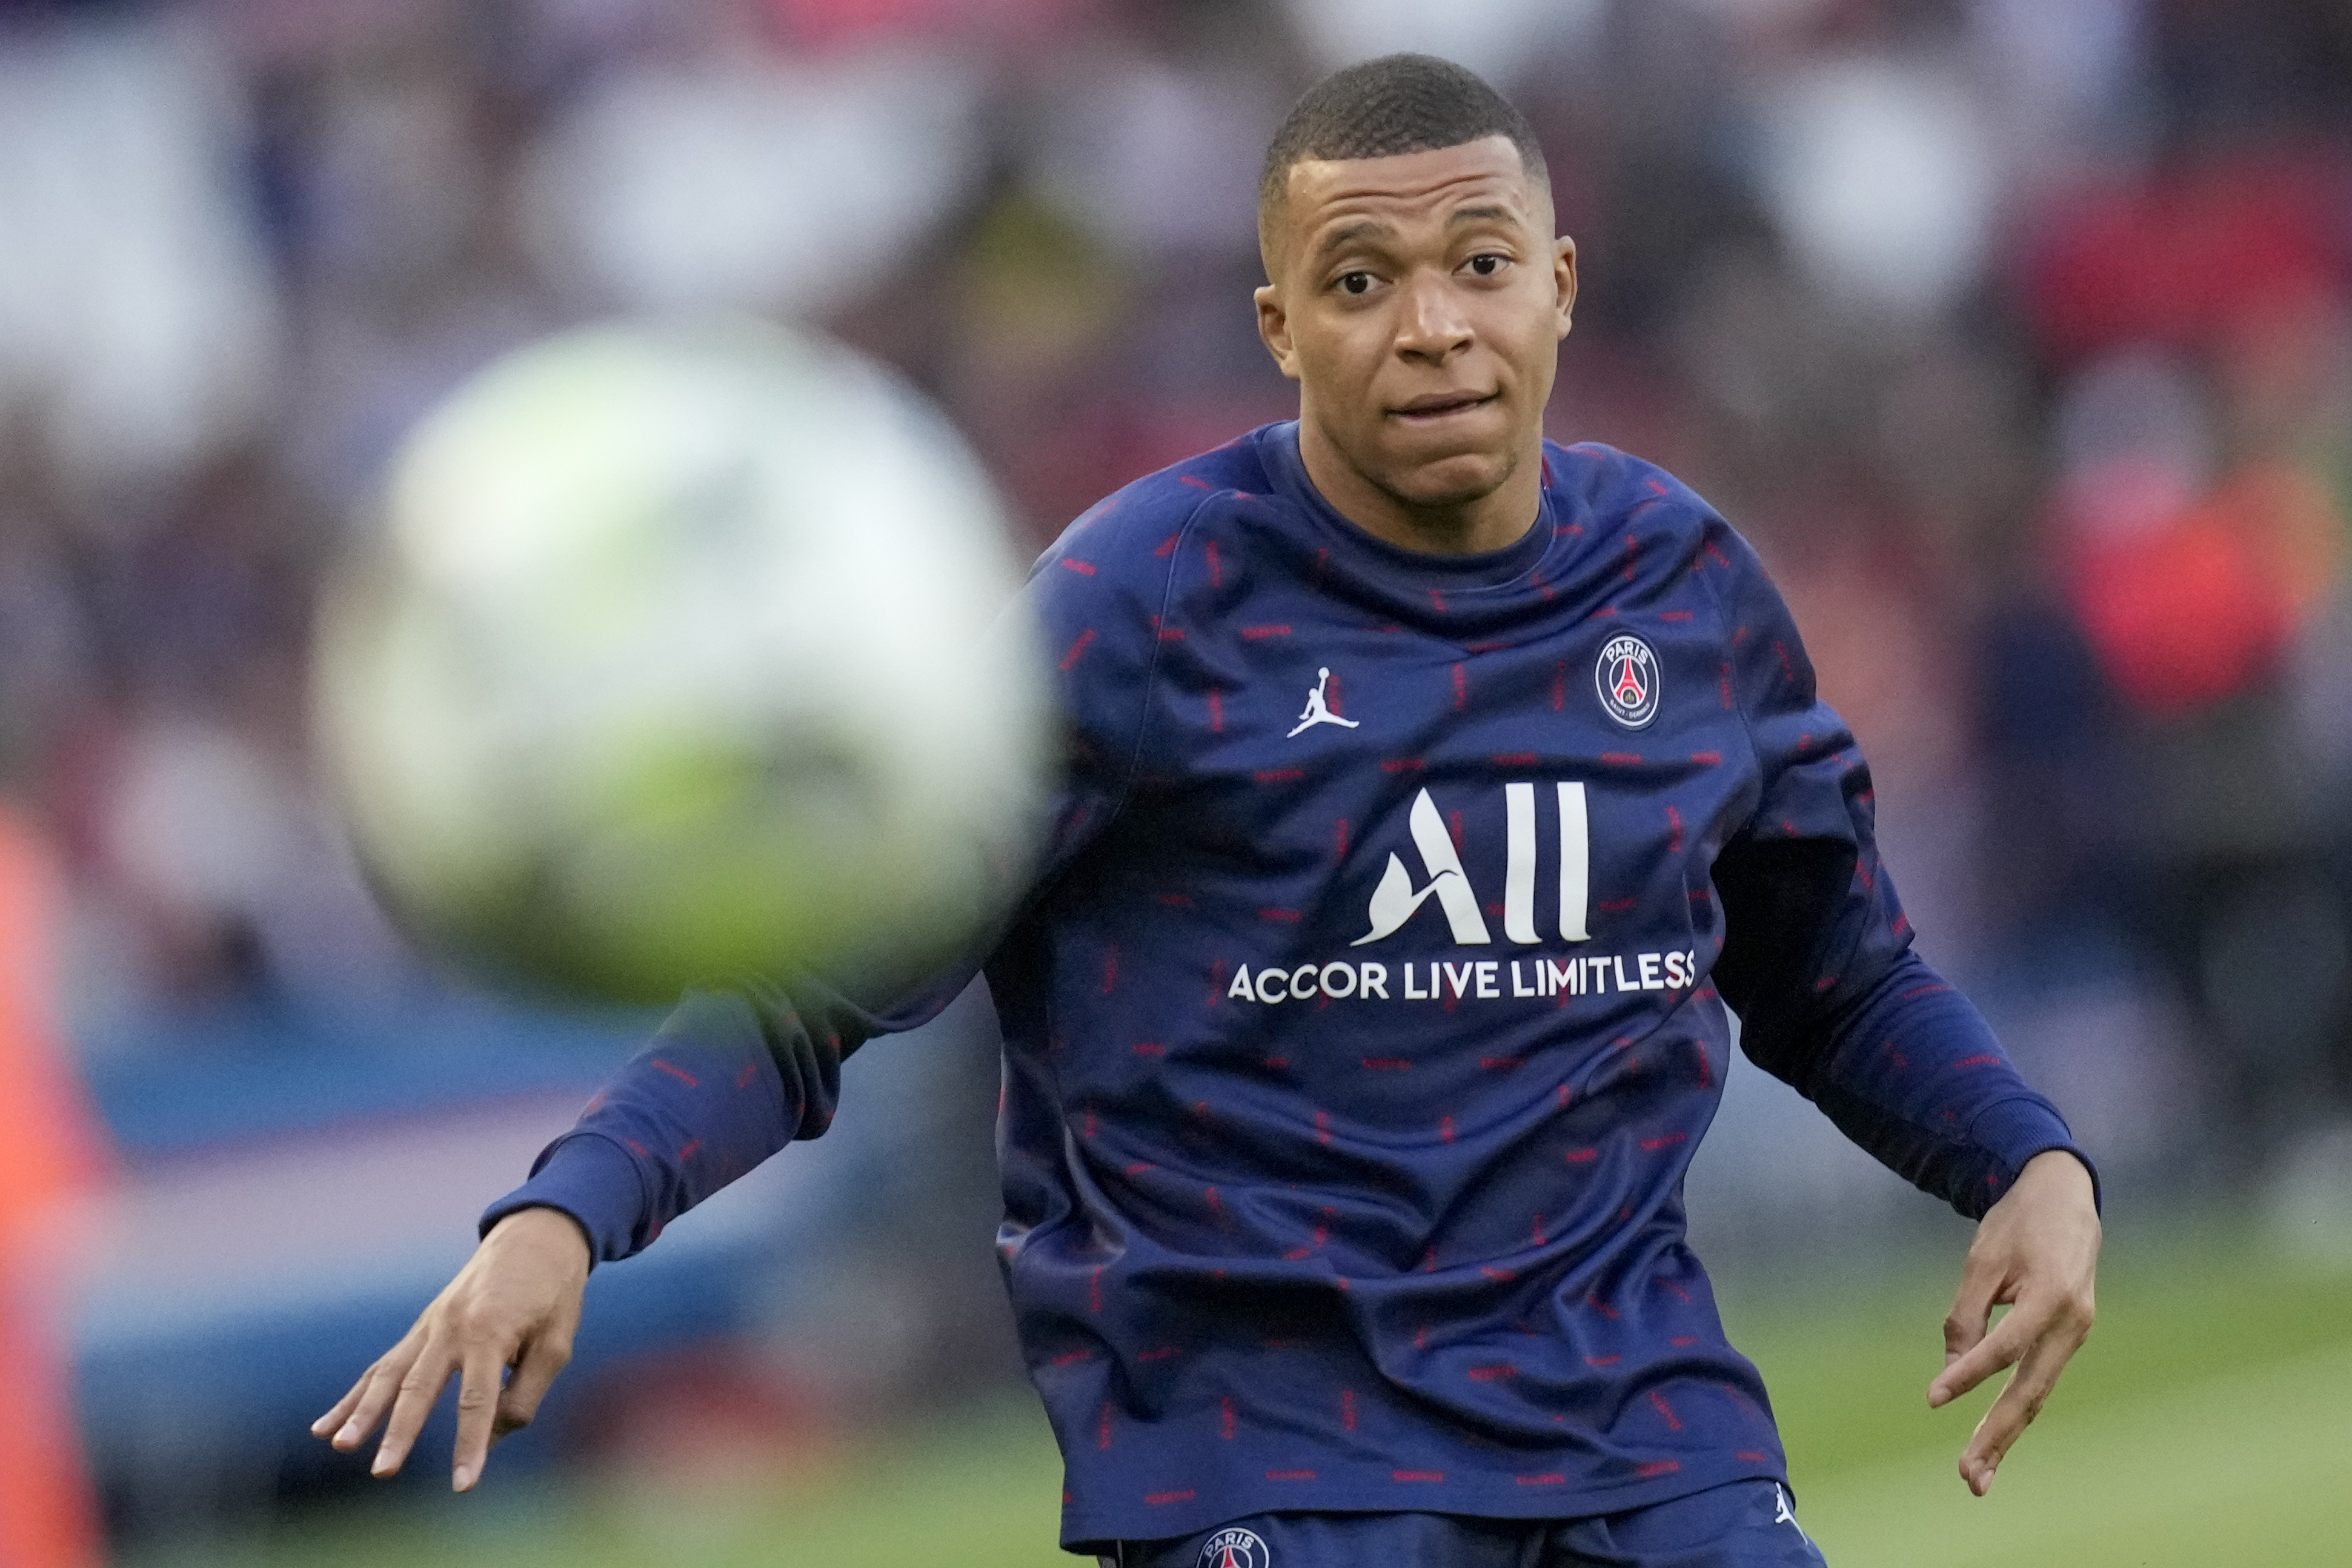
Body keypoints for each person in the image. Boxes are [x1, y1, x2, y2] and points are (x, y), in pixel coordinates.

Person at [314, 54, 2101, 1567]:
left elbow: (1831, 970)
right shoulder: (1134, 608)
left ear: (1557, 282)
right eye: (1358, 280)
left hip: (1649, 1441)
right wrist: (566, 1211)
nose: (1431, 327)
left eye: (1480, 264)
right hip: (1272, 1467)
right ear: (1277, 324)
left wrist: (2019, 1154)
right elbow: (820, 979)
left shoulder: (1681, 588)